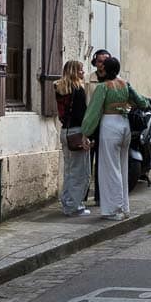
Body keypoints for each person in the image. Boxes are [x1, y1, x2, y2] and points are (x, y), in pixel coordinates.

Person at [81, 56, 149, 221]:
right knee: (122, 166)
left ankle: (113, 209)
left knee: (109, 169)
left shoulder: (103, 87)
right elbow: (141, 102)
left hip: (110, 125)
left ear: (104, 70)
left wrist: (86, 132)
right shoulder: (125, 84)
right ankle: (124, 207)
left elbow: (93, 112)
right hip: (124, 125)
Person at [54, 60, 92, 217]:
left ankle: (67, 202)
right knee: (80, 171)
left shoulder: (60, 88)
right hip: (77, 132)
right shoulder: (78, 89)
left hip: (65, 131)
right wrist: (86, 134)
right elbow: (81, 114)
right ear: (74, 71)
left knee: (69, 170)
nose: (83, 72)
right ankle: (74, 206)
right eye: (81, 69)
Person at [87, 49, 111, 205]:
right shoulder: (88, 80)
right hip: (91, 125)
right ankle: (82, 196)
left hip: (108, 125)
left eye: (105, 61)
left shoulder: (114, 80)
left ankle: (100, 197)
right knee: (86, 163)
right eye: (100, 61)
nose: (102, 64)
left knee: (103, 164)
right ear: (95, 62)